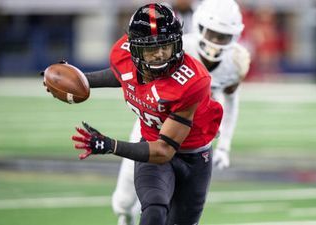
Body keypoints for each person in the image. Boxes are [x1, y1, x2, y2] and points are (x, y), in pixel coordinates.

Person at [44, 3, 223, 225]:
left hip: (192, 155)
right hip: (151, 144)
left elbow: (164, 150)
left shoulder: (192, 81)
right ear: (135, 49)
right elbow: (123, 74)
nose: (159, 54)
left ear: (177, 43)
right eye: (150, 48)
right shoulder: (122, 55)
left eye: (165, 46)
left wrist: (110, 145)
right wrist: (78, 80)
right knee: (154, 209)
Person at [111, 0, 250, 224]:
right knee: (125, 199)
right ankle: (125, 218)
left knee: (175, 208)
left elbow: (231, 101)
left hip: (191, 140)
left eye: (222, 36)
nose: (215, 41)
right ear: (200, 26)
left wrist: (224, 145)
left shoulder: (235, 62)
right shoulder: (175, 46)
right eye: (212, 33)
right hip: (153, 125)